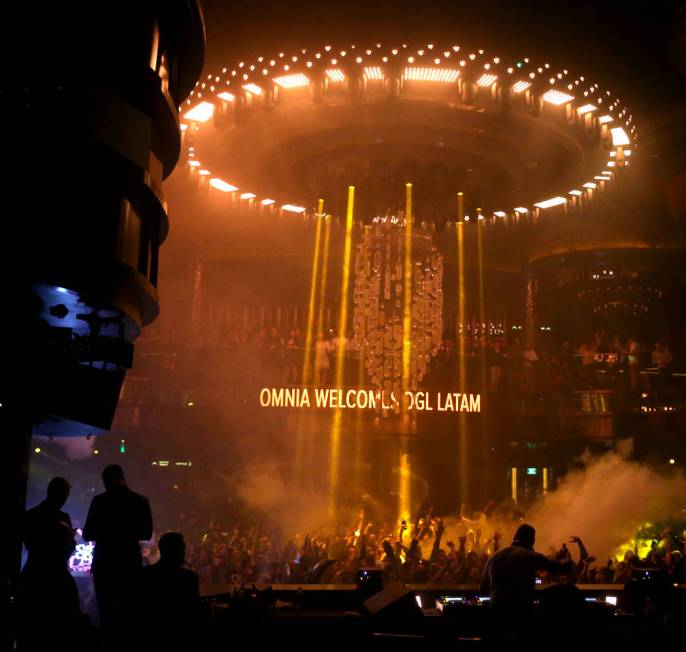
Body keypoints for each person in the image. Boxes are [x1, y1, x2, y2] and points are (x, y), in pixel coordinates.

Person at [83, 464, 152, 649]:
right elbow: (146, 533)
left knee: (106, 615)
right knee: (129, 615)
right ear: (122, 478)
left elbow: (87, 534)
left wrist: (107, 531)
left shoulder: (99, 501)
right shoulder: (140, 501)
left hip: (105, 563)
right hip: (129, 563)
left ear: (106, 481)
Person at [480, 523, 572, 645]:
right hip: (520, 618)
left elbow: (483, 589)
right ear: (532, 541)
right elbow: (564, 569)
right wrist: (566, 557)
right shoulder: (530, 556)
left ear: (515, 537)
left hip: (495, 618)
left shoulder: (494, 557)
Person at [18, 477, 80, 651]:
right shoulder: (63, 517)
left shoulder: (30, 515)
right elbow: (66, 552)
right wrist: (71, 540)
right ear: (63, 494)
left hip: (32, 576)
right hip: (57, 579)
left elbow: (28, 544)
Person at [139, 532, 201, 650]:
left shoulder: (146, 575)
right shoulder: (189, 578)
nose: (184, 553)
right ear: (173, 551)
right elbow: (195, 614)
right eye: (181, 549)